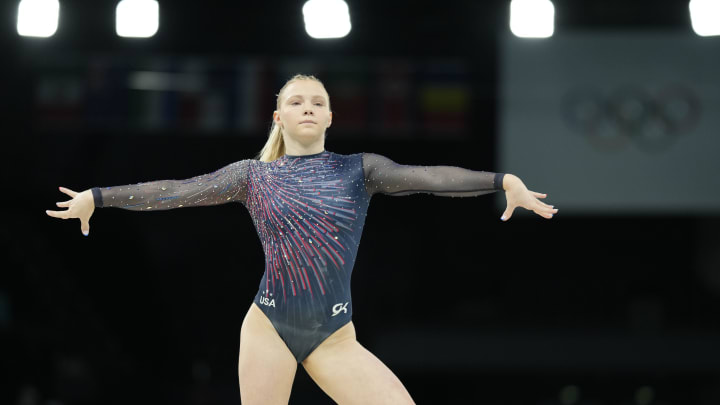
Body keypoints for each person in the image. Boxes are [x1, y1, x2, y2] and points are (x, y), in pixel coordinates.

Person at [46, 74, 557, 404]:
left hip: (334, 336)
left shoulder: (361, 170)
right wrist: (99, 195)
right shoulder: (252, 176)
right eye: (296, 101)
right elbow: (177, 191)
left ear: (331, 116)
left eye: (318, 101)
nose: (308, 107)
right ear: (279, 117)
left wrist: (499, 181)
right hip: (268, 327)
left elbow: (429, 177)